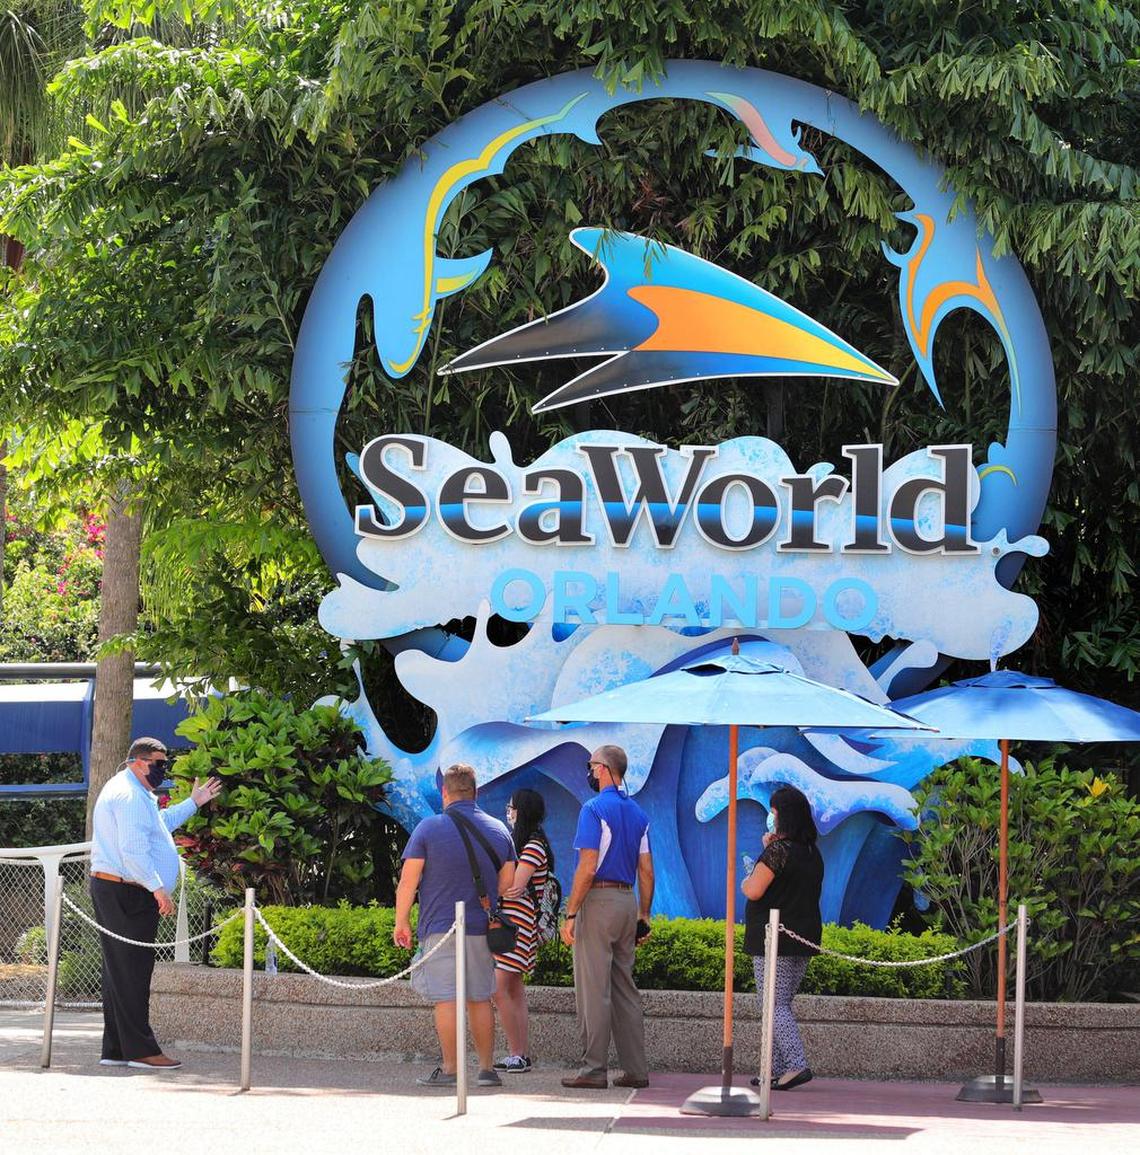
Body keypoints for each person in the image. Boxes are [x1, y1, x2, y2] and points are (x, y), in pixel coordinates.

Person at [89, 736, 222, 1070]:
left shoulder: (134, 792)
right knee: (133, 971)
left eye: (164, 763)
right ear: (136, 761)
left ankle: (117, 1049)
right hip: (127, 892)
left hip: (120, 890)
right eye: (157, 764)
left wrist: (193, 802)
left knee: (120, 971)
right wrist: (157, 889)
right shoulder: (130, 795)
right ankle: (141, 1051)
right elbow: (132, 850)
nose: (162, 770)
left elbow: (157, 828)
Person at [393, 762, 515, 1088]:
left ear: (445, 793)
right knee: (479, 997)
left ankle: (450, 1070)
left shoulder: (429, 828)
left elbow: (408, 881)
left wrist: (401, 922)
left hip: (439, 925)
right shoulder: (499, 829)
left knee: (446, 999)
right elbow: (508, 881)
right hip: (480, 926)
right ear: (475, 792)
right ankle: (487, 1069)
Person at [559, 744, 653, 1090]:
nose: (589, 770)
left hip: (597, 901)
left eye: (591, 764)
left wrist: (571, 912)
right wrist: (644, 914)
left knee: (593, 989)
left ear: (602, 769)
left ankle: (593, 1069)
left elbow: (586, 867)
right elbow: (647, 871)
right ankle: (636, 1069)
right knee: (624, 988)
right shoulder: (639, 813)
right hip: (627, 901)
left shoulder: (593, 809)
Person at [742, 784, 824, 1091]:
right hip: (802, 936)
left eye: (773, 812)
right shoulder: (810, 852)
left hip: (774, 939)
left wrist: (748, 874)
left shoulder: (778, 851)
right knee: (779, 1003)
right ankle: (771, 1069)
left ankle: (795, 1064)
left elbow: (754, 889)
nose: (770, 817)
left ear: (782, 816)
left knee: (773, 1004)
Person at [491, 787, 553, 1073]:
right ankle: (519, 1053)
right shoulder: (526, 843)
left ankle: (517, 1053)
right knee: (514, 988)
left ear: (522, 810)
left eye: (512, 807)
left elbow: (515, 887)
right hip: (514, 922)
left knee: (499, 987)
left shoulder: (533, 845)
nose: (509, 812)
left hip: (515, 924)